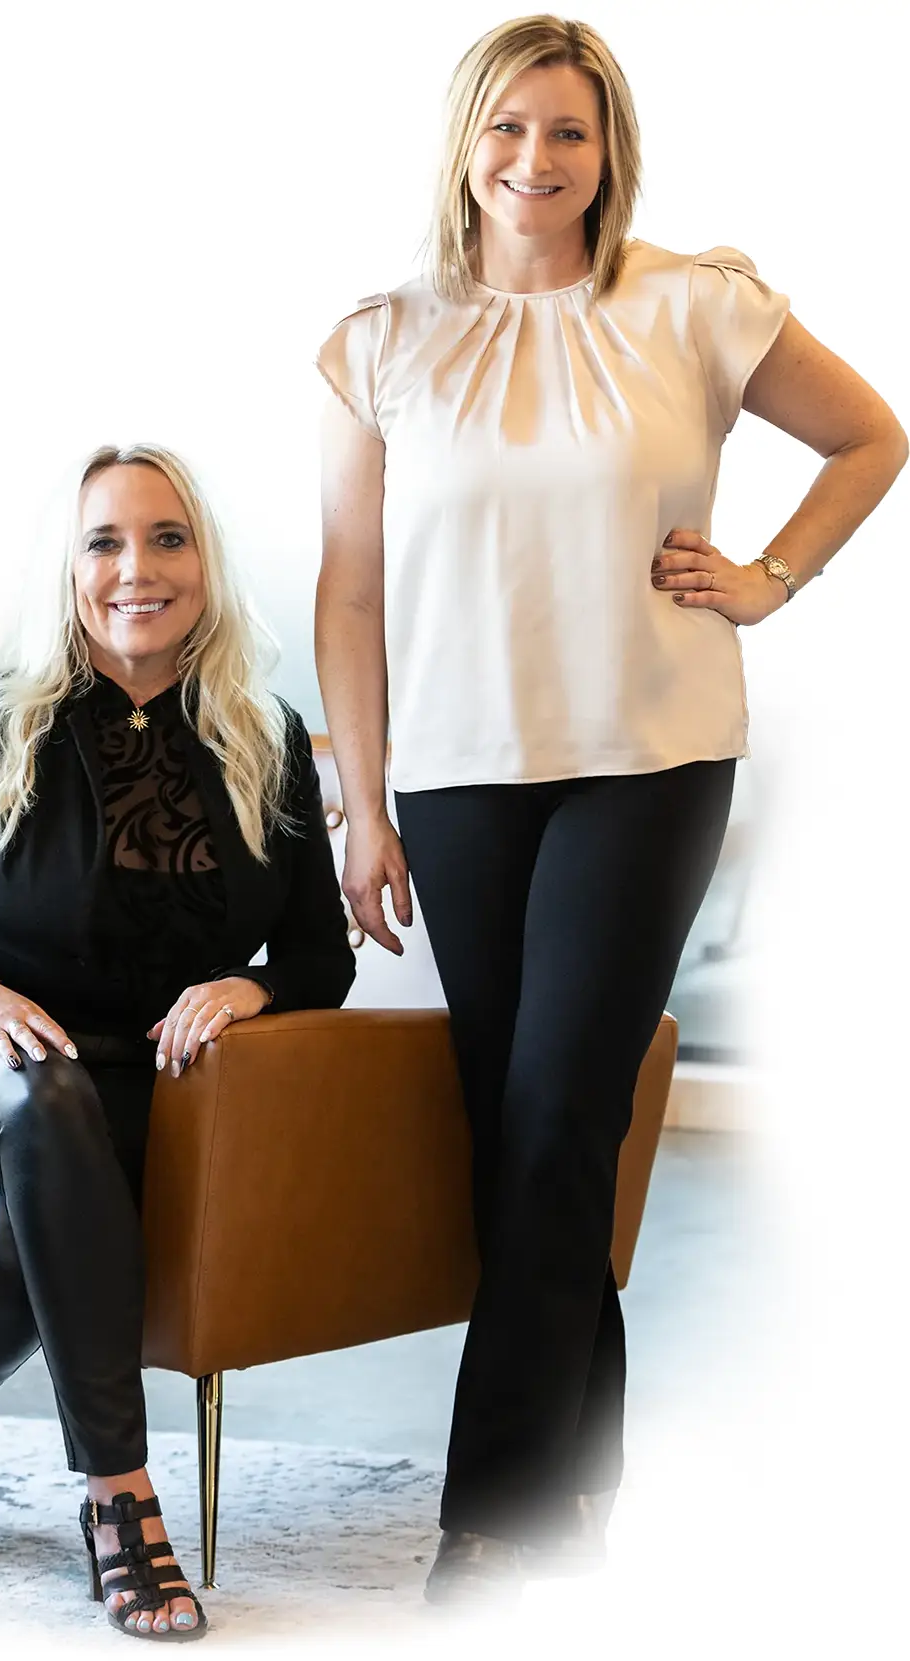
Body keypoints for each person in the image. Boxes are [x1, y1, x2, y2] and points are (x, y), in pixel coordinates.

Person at [313, 12, 906, 1607]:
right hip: (455, 775)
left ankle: (490, 1525)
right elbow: (350, 591)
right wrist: (358, 806)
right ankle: (577, 1485)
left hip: (648, 758)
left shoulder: (690, 304)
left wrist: (768, 577)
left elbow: (870, 436)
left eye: (566, 130)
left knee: (561, 1112)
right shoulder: (381, 341)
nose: (534, 158)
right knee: (520, 1133)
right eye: (507, 127)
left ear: (606, 151)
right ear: (464, 144)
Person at [0, 443, 355, 1641]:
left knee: (0, 1230)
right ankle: (119, 1497)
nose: (138, 568)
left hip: (132, 1088)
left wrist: (248, 986)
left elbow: (319, 959)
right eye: (105, 542)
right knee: (41, 1081)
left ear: (203, 563)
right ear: (67, 569)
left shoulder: (262, 735)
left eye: (167, 538)